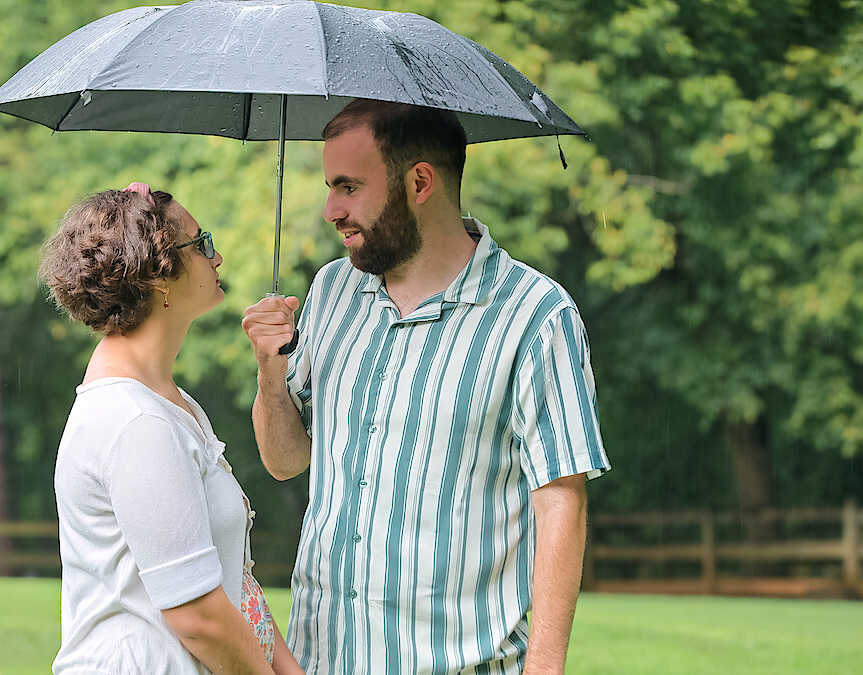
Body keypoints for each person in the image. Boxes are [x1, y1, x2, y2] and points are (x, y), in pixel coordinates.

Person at [242, 101, 611, 674]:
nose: (331, 210)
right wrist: (270, 371)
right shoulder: (332, 290)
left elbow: (561, 499)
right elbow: (285, 461)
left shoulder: (535, 315)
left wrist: (545, 667)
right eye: (329, 187)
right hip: (322, 661)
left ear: (419, 182)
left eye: (348, 187)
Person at [42, 182, 303, 675]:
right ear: (159, 274)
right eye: (202, 244)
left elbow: (232, 584)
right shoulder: (135, 421)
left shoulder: (171, 403)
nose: (217, 256)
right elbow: (199, 618)